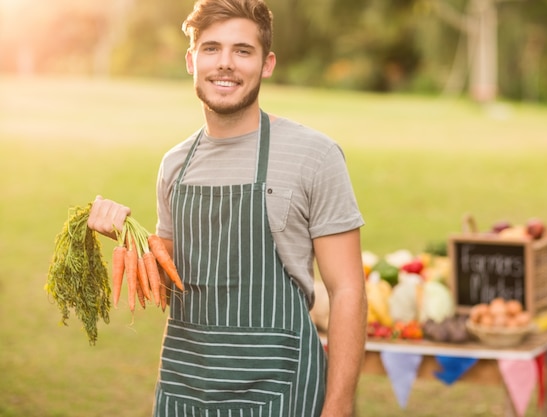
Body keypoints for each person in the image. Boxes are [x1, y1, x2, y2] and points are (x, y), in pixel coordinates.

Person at [87, 0, 367, 416]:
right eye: (212, 48)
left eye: (242, 50)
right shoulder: (175, 166)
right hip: (187, 389)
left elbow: (347, 290)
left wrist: (339, 404)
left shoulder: (315, 156)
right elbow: (170, 286)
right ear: (191, 60)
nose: (225, 64)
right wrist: (126, 236)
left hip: (281, 390)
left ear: (267, 64)